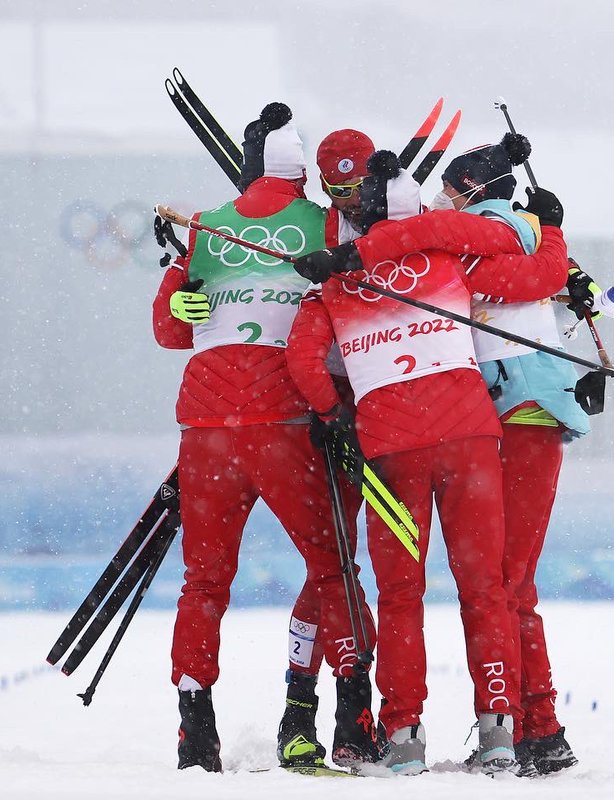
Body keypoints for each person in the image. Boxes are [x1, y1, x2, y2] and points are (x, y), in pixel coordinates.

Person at [297, 134, 587, 776]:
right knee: (485, 589)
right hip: (471, 442)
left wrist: (332, 416)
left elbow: (301, 360)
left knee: (400, 595)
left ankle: (403, 735)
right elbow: (534, 265)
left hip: (388, 451)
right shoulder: (455, 259)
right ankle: (500, 734)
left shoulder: (335, 283)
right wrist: (552, 227)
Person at [152, 102, 376, 773]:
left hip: (207, 426)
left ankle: (196, 730)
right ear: (304, 172)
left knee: (204, 582)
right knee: (333, 566)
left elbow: (170, 327)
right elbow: (364, 291)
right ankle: (350, 715)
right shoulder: (327, 223)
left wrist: (179, 299)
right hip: (289, 417)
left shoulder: (208, 224)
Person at [276, 127, 381, 768]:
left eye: (356, 186)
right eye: (334, 188)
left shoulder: (402, 222)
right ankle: (321, 713)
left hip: (383, 404)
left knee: (336, 568)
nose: (346, 199)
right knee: (333, 566)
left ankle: (316, 711)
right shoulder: (315, 226)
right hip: (324, 410)